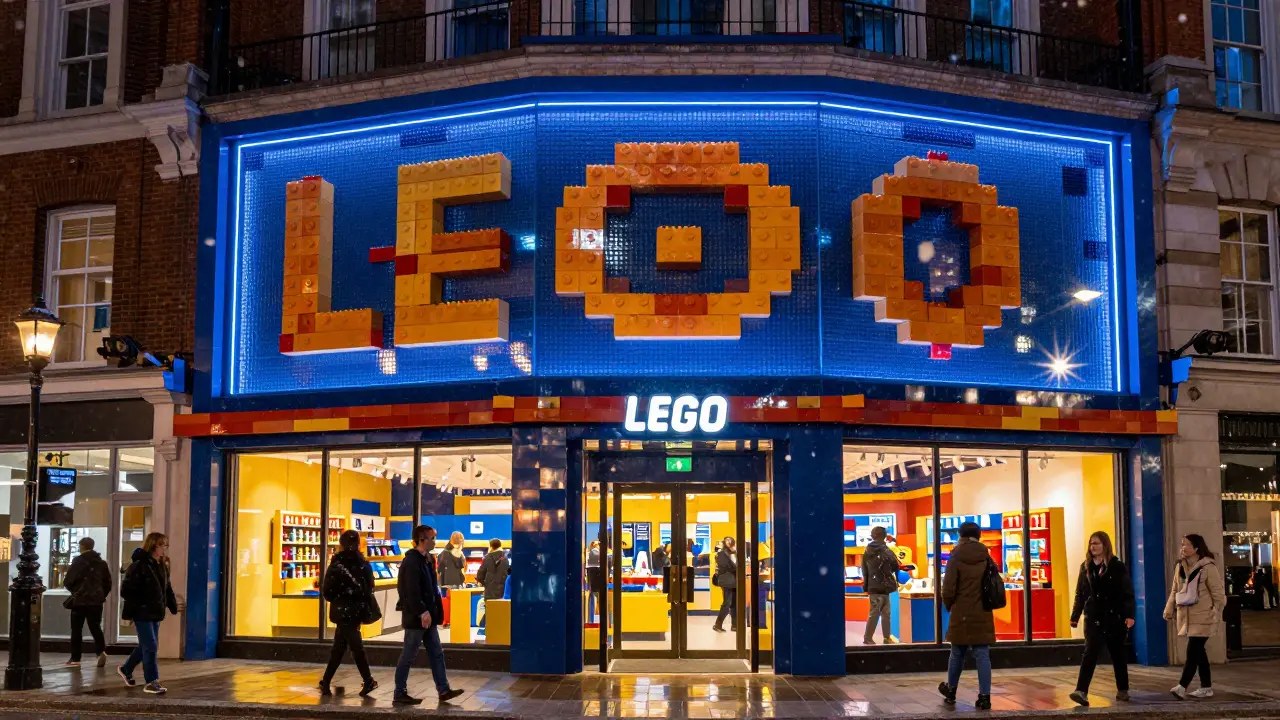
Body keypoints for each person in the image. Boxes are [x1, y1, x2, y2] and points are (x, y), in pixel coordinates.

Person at [394, 524, 464, 705]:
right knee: (408, 654)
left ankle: (443, 689)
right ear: (421, 539)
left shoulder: (427, 559)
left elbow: (431, 588)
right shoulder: (411, 562)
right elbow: (409, 591)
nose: (434, 541)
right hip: (417, 618)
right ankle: (399, 692)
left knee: (437, 653)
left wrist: (433, 612)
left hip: (428, 617)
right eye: (432, 538)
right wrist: (422, 611)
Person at [1068, 531, 1135, 706]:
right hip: (1093, 617)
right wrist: (1075, 615)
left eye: (1096, 543)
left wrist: (1129, 615)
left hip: (1114, 617)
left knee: (1118, 654)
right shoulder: (1086, 566)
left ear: (1105, 545)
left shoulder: (1117, 566)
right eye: (1091, 544)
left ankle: (1123, 689)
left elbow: (1127, 592)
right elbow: (1080, 593)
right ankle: (1081, 690)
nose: (1093, 547)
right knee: (1089, 653)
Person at [937, 522, 995, 711]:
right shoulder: (986, 557)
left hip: (961, 611)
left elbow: (948, 588)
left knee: (957, 653)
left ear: (961, 535)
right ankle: (984, 696)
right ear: (978, 536)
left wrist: (949, 605)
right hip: (983, 611)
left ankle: (951, 690)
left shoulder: (956, 556)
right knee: (982, 654)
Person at [1165, 533, 1225, 700]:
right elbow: (1175, 590)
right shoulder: (1180, 567)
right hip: (1187, 616)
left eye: (1187, 545)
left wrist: (1216, 611)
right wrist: (1169, 610)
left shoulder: (1208, 567)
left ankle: (1181, 686)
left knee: (1193, 651)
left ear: (1197, 548)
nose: (1183, 548)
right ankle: (1206, 687)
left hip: (1204, 616)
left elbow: (1218, 593)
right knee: (1199, 653)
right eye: (1182, 544)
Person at [118, 532, 178, 695]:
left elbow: (167, 588)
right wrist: (142, 599)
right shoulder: (139, 565)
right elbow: (126, 590)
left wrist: (172, 605)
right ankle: (151, 681)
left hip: (155, 612)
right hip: (142, 611)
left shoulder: (161, 565)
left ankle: (126, 668)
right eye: (162, 545)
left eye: (166, 545)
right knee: (151, 646)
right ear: (153, 546)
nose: (164, 548)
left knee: (146, 645)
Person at [319, 530, 378, 696]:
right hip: (356, 611)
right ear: (358, 544)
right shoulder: (363, 564)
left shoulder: (336, 565)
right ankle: (327, 681)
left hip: (342, 611)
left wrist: (341, 597)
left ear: (341, 544)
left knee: (351, 647)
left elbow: (327, 591)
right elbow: (370, 588)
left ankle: (367, 681)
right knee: (342, 647)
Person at [63, 536, 111, 667]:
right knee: (95, 627)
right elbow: (108, 584)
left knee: (76, 630)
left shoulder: (78, 561)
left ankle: (75, 658)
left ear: (81, 546)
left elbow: (67, 581)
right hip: (96, 602)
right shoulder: (102, 563)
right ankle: (101, 651)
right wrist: (100, 595)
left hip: (79, 601)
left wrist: (75, 591)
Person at [862, 526, 900, 645]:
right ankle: (886, 637)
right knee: (885, 613)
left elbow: (864, 570)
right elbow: (895, 566)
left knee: (874, 612)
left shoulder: (867, 551)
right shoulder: (887, 550)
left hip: (873, 587)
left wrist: (867, 585)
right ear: (884, 536)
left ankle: (869, 638)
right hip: (885, 586)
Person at [712, 536, 738, 633]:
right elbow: (726, 566)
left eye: (730, 541)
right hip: (727, 582)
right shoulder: (721, 554)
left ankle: (734, 625)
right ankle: (717, 624)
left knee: (734, 603)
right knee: (727, 603)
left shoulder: (735, 553)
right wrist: (736, 567)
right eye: (727, 541)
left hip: (734, 581)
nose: (729, 542)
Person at [586, 539, 603, 623]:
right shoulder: (595, 553)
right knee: (597, 601)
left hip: (592, 583)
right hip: (597, 582)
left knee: (593, 601)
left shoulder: (590, 554)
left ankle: (592, 621)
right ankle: (595, 621)